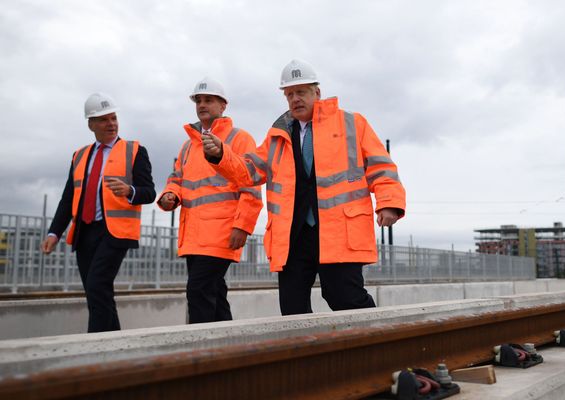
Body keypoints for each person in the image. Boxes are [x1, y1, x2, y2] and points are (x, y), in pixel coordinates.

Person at [203, 59, 406, 315]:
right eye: (289, 94)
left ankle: (378, 344)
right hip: (293, 234)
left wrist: (389, 203)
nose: (295, 99)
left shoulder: (351, 124)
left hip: (338, 230)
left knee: (345, 297)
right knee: (292, 308)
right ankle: (307, 354)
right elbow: (249, 172)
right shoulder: (278, 133)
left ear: (317, 93)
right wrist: (222, 154)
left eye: (301, 92)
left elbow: (381, 166)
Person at [41, 93, 156, 332]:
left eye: (113, 118)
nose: (111, 123)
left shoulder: (134, 151)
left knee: (97, 285)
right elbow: (68, 198)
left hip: (115, 232)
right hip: (84, 232)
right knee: (97, 292)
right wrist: (54, 233)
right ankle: (114, 345)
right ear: (90, 124)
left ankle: (94, 347)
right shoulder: (80, 155)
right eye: (103, 120)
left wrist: (130, 190)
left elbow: (149, 192)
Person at [157, 78, 261, 324]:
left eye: (209, 100)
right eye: (199, 100)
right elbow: (176, 179)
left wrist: (242, 226)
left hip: (221, 232)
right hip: (193, 235)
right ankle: (228, 349)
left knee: (198, 290)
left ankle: (200, 349)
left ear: (223, 105)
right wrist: (170, 195)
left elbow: (251, 183)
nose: (202, 105)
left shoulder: (239, 138)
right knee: (213, 292)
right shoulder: (187, 146)